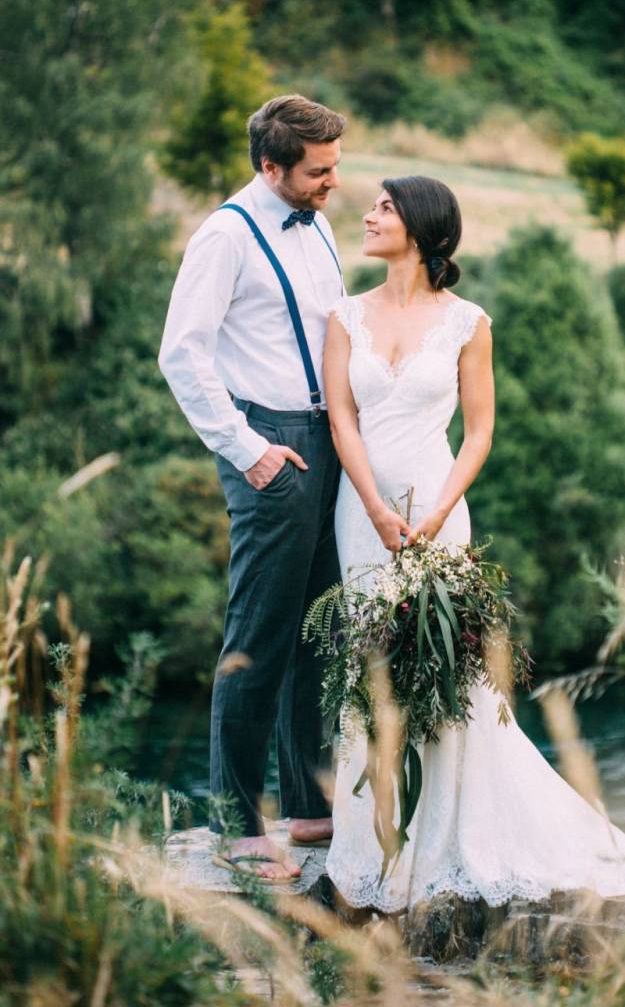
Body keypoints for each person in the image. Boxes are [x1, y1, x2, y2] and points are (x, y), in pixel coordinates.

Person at [322, 174, 625, 912]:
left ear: (422, 229)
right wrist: (376, 507)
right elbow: (341, 422)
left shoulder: (468, 321)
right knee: (371, 667)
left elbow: (480, 432)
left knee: (447, 671)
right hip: (361, 514)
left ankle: (453, 833)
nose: (367, 215)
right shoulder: (343, 316)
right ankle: (376, 836)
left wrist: (433, 513)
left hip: (438, 511)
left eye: (384, 208)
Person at [159, 94, 346, 881]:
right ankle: (237, 822)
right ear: (271, 167)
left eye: (336, 167)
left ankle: (308, 808)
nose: (333, 183)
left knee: (317, 631)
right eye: (317, 171)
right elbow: (181, 355)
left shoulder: (321, 220)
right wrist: (248, 449)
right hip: (269, 443)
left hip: (332, 438)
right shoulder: (222, 238)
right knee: (257, 638)